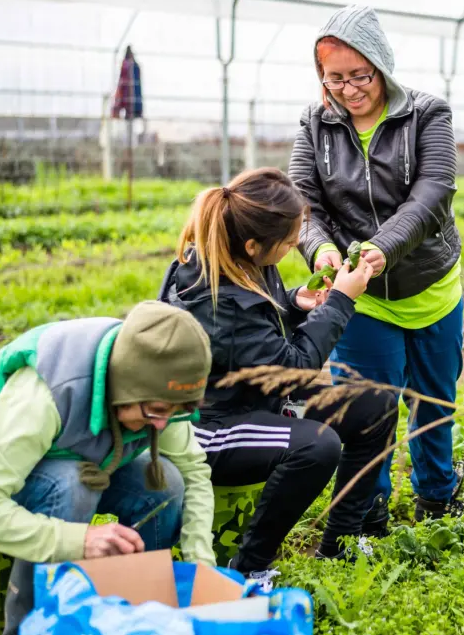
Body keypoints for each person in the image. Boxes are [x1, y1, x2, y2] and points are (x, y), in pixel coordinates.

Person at [0, 301, 216, 635]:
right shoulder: (48, 391)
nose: (163, 426)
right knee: (70, 486)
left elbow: (194, 472)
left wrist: (203, 566)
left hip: (47, 458)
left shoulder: (157, 384)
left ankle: (138, 634)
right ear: (124, 387)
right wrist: (79, 540)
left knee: (165, 483)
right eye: (155, 411)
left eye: (176, 412)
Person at [158, 166, 397, 578]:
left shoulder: (240, 257)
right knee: (316, 446)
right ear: (253, 245)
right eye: (288, 243)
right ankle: (249, 568)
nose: (290, 249)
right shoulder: (215, 297)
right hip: (210, 426)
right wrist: (339, 299)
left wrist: (295, 301)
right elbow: (294, 369)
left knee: (375, 407)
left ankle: (338, 545)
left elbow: (259, 324)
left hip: (254, 400)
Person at [288, 4, 464, 537]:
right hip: (358, 294)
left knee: (434, 402)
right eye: (334, 78)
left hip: (429, 285)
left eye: (358, 75)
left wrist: (384, 248)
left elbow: (433, 193)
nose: (347, 89)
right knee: (368, 410)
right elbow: (303, 203)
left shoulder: (427, 114)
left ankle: (438, 498)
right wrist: (319, 249)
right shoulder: (314, 125)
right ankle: (368, 513)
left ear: (381, 67)